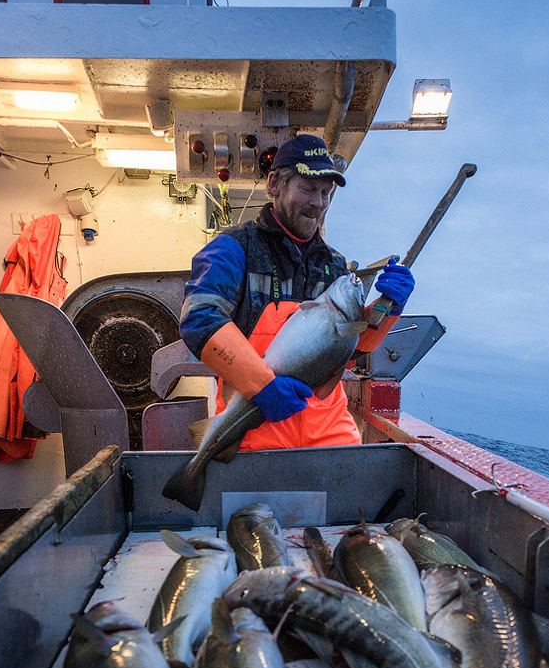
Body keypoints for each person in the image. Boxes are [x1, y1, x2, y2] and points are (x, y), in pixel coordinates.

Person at [178, 133, 415, 451]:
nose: (318, 203)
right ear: (275, 185)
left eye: (325, 193)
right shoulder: (234, 248)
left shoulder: (335, 265)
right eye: (307, 189)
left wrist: (387, 309)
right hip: (254, 436)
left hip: (331, 439)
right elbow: (199, 318)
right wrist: (262, 387)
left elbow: (347, 351)